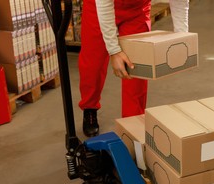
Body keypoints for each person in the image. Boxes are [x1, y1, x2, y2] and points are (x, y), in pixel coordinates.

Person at [78, 0, 189, 137]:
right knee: (92, 63)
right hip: (98, 7)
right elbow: (104, 3)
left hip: (137, 10)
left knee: (137, 68)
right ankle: (90, 107)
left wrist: (182, 36)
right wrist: (114, 51)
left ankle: (132, 123)